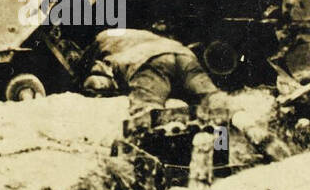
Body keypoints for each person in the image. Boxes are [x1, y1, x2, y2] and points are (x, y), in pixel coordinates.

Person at [80, 27, 229, 122]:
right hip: (183, 55)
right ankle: (236, 127)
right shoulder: (138, 34)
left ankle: (179, 128)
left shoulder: (101, 43)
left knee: (146, 115)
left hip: (149, 61)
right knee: (213, 98)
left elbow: (88, 68)